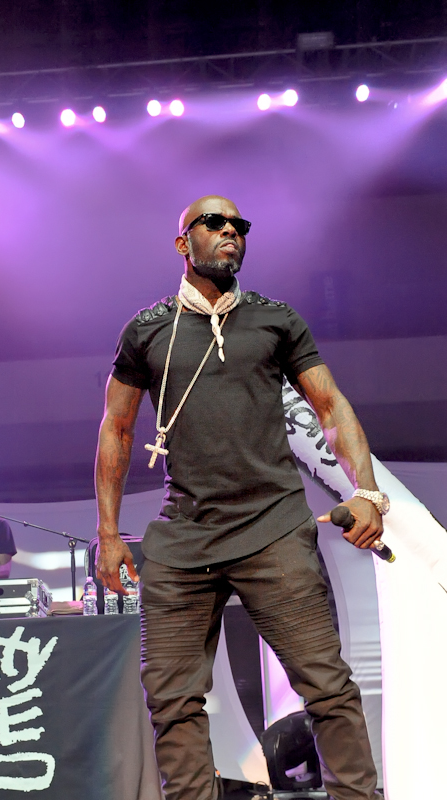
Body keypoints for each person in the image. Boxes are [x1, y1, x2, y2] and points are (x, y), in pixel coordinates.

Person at [94, 195, 387, 800]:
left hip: (273, 528)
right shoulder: (146, 330)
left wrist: (367, 492)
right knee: (173, 703)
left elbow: (329, 407)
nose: (231, 231)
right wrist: (107, 534)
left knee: (328, 689)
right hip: (182, 537)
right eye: (214, 223)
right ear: (183, 243)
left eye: (239, 225)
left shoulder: (274, 319)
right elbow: (117, 429)